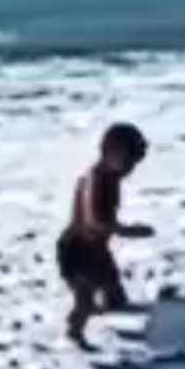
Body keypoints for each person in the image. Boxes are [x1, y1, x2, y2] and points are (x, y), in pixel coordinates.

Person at [53, 117, 148, 348]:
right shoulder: (93, 180)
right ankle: (74, 335)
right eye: (126, 161)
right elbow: (92, 221)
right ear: (108, 152)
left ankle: (110, 314)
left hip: (97, 248)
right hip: (76, 250)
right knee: (84, 300)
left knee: (114, 292)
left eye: (133, 164)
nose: (129, 169)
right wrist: (125, 230)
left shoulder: (112, 178)